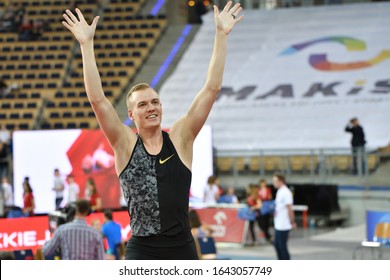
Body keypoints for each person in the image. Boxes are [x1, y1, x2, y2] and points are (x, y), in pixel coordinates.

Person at [62, 1, 243, 260]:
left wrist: (221, 35)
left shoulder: (181, 138)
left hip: (182, 247)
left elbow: (211, 89)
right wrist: (86, 45)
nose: (151, 108)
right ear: (131, 114)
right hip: (142, 249)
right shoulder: (124, 144)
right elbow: (98, 101)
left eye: (155, 101)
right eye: (143, 104)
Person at [272, 174, 296, 260]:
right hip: (278, 223)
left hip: (284, 224)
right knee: (277, 245)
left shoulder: (286, 192)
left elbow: (289, 208)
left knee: (282, 247)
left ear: (281, 181)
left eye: (275, 181)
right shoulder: (279, 191)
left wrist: (292, 221)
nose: (273, 183)